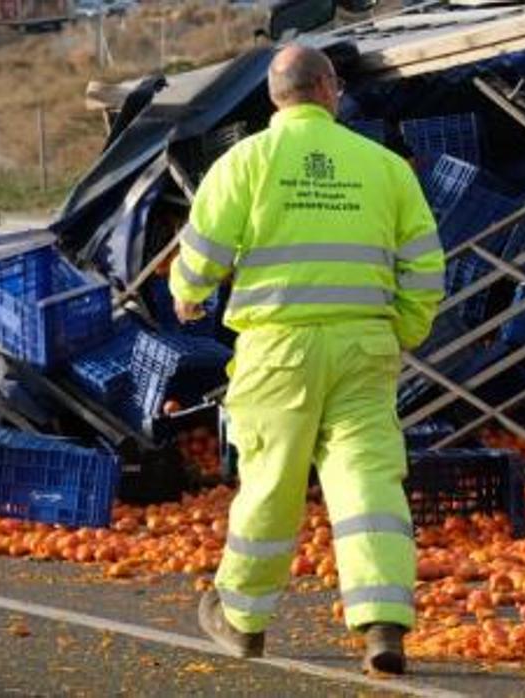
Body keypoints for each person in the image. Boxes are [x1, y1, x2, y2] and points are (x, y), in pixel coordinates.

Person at [169, 43, 445, 674]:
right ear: (330, 89)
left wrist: (188, 296)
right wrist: (404, 327)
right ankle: (383, 625)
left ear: (274, 96)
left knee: (271, 482)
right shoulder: (385, 169)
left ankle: (241, 618)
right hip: (363, 347)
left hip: (277, 352)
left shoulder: (245, 163)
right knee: (369, 482)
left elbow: (203, 250)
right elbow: (425, 266)